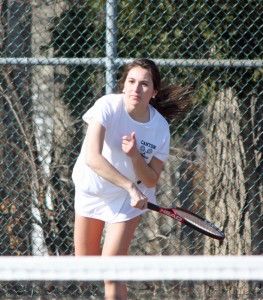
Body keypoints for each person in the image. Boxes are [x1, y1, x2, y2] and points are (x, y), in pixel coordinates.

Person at [72, 58, 192, 299]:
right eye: (132, 81)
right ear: (124, 85)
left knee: (112, 270)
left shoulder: (159, 128)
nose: (136, 89)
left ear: (154, 92)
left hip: (128, 201)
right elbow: (92, 158)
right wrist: (128, 186)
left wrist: (136, 156)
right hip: (92, 191)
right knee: (87, 266)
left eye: (144, 84)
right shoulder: (107, 106)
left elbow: (150, 180)